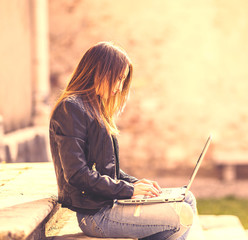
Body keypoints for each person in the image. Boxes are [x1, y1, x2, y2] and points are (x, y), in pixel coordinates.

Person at [49, 42, 196, 240]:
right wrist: (129, 190)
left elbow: (110, 172)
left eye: (123, 81)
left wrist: (137, 184)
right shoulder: (71, 109)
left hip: (109, 204)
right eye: (118, 79)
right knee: (180, 214)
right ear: (99, 71)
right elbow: (77, 174)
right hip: (95, 215)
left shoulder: (95, 109)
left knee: (187, 198)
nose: (119, 88)